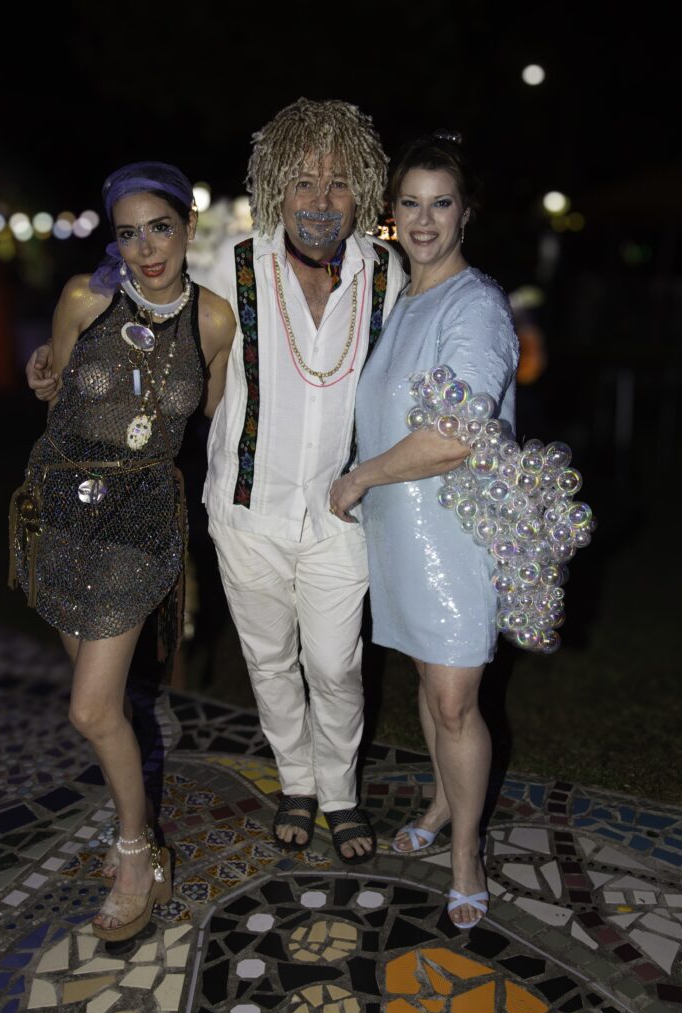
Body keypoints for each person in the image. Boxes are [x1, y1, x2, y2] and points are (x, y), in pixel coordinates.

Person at [28, 99, 407, 864]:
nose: (320, 202)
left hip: (343, 510)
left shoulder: (387, 273)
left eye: (338, 185)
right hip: (242, 507)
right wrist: (57, 352)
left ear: (361, 189)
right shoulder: (228, 263)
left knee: (335, 664)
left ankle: (338, 790)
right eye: (303, 182)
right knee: (267, 660)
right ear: (275, 187)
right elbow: (140, 275)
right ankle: (297, 782)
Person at [12, 161, 234, 941]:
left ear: (188, 228)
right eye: (128, 232)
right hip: (59, 511)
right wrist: (39, 372)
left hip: (139, 522)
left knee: (91, 707)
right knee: (103, 706)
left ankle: (138, 850)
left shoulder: (213, 322)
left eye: (160, 228)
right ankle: (132, 819)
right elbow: (52, 378)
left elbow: (208, 413)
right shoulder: (86, 296)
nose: (145, 248)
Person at [330, 133, 519, 926]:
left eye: (441, 202)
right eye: (409, 202)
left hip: (455, 535)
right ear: (390, 213)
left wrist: (360, 476)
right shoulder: (401, 300)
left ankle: (467, 849)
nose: (423, 218)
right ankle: (442, 804)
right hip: (401, 533)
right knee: (428, 683)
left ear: (466, 212)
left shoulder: (474, 305)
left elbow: (456, 433)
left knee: (452, 701)